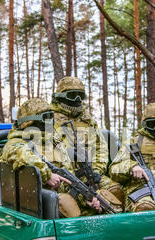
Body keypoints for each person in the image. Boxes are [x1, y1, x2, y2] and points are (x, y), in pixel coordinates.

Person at [0, 98, 102, 218]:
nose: (49, 122)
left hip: (62, 208)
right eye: (45, 118)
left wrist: (86, 199)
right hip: (34, 211)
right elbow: (21, 154)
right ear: (29, 122)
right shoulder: (15, 143)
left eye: (50, 117)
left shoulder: (55, 143)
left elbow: (69, 180)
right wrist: (47, 175)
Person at [50, 76, 123, 215]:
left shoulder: (88, 120)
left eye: (80, 95)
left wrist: (96, 171)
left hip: (90, 175)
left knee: (116, 191)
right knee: (79, 205)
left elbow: (101, 148)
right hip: (64, 180)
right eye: (72, 95)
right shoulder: (49, 120)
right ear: (60, 97)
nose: (77, 100)